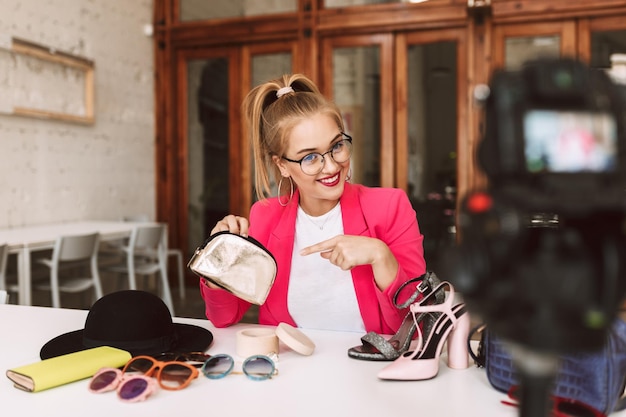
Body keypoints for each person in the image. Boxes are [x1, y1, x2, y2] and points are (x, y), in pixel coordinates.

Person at [200, 73, 426, 334]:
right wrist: (219, 256)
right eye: (309, 158)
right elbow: (223, 318)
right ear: (282, 165)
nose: (331, 166)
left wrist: (380, 255)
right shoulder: (265, 216)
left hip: (367, 370)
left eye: (337, 146)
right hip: (291, 369)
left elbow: (414, 324)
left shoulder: (390, 207)